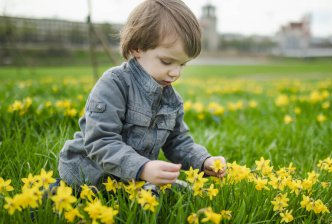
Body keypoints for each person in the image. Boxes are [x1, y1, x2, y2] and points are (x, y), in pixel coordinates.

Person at [58, 0, 226, 190]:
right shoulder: (114, 84)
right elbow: (100, 141)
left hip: (132, 178)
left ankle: (142, 191)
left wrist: (203, 161)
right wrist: (143, 167)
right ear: (137, 48)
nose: (175, 73)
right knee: (67, 196)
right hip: (88, 174)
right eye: (166, 61)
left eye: (182, 64)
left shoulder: (172, 100)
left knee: (182, 191)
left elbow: (177, 142)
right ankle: (56, 190)